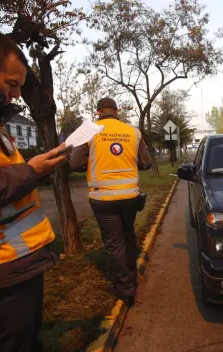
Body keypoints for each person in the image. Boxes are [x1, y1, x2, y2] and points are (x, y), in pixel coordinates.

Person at [0, 30, 68, 351]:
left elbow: (1, 178)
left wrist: (51, 164)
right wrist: (32, 171)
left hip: (5, 274)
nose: (18, 95)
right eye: (11, 84)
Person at [70, 97, 152, 307]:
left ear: (98, 112)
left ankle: (126, 290)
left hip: (102, 198)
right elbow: (146, 163)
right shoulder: (133, 132)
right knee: (128, 235)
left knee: (114, 243)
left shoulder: (91, 131)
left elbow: (76, 163)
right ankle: (132, 277)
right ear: (117, 111)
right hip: (129, 197)